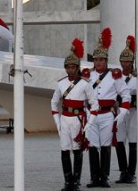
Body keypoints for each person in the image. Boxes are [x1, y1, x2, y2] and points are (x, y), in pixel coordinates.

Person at [51, 38, 97, 191]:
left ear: (78, 68)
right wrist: (57, 122)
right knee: (64, 150)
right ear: (65, 68)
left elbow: (94, 104)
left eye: (73, 67)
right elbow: (54, 102)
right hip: (64, 119)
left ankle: (76, 181)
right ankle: (67, 181)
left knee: (77, 150)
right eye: (68, 67)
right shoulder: (61, 83)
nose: (70, 70)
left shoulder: (85, 83)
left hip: (78, 120)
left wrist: (89, 124)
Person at [85, 28, 129, 188]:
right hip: (91, 114)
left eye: (101, 60)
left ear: (106, 60)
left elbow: (125, 94)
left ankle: (104, 177)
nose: (98, 62)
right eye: (96, 60)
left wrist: (123, 112)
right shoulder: (87, 75)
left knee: (105, 146)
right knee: (91, 145)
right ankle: (93, 177)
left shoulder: (114, 75)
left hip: (107, 114)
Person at [114, 35, 138, 185]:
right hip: (119, 112)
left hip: (134, 111)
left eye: (128, 61)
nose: (126, 64)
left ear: (132, 62)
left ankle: (131, 173)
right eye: (123, 61)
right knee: (119, 141)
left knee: (133, 142)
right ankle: (123, 172)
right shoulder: (115, 77)